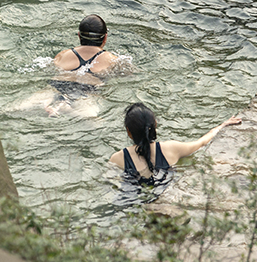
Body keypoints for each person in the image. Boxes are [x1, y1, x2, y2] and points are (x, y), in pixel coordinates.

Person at [109, 102, 242, 184]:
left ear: (128, 132)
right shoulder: (171, 148)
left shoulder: (117, 158)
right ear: (155, 125)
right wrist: (222, 125)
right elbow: (202, 143)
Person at [44, 14, 119, 116]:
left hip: (56, 86)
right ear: (105, 37)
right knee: (94, 122)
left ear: (79, 35)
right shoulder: (112, 59)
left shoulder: (62, 55)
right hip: (85, 91)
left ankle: (56, 105)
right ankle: (67, 109)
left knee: (17, 108)